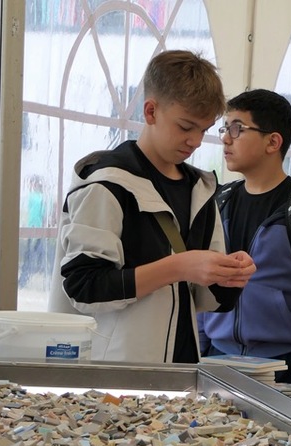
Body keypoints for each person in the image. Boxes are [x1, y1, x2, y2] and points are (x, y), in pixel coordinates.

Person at [47, 50, 254, 363]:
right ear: (150, 111)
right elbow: (83, 287)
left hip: (181, 372)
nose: (196, 141)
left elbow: (207, 300)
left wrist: (229, 276)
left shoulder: (201, 188)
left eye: (204, 129)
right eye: (185, 127)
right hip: (113, 375)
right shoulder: (107, 185)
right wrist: (180, 266)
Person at [198, 89, 291, 388]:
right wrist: (201, 346)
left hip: (287, 366)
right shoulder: (218, 203)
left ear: (273, 141)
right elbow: (201, 280)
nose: (226, 138)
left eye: (237, 129)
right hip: (217, 360)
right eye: (225, 128)